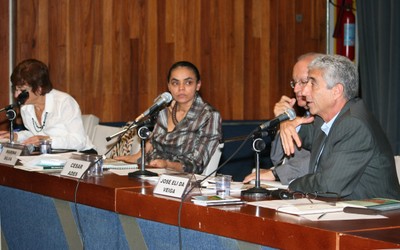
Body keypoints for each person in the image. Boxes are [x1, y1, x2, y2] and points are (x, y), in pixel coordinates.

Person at [280, 54, 400, 199]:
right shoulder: (325, 119)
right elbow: (309, 134)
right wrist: (289, 124)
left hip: (375, 217)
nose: (305, 92)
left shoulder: (354, 124)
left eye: (312, 84)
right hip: (343, 212)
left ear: (336, 91)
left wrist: (292, 184)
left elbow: (329, 186)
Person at [114, 61, 222, 174]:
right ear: (169, 86)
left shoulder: (208, 115)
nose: (181, 88)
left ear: (198, 85)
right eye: (175, 83)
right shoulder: (163, 108)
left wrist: (167, 165)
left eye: (188, 83)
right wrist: (137, 156)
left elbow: (197, 164)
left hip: (180, 178)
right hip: (151, 168)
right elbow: (153, 142)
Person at [243, 53, 319, 185]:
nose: (296, 89)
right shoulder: (306, 115)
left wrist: (275, 173)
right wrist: (283, 120)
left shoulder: (325, 117)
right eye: (294, 83)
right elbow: (277, 158)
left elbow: (319, 161)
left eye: (303, 82)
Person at [0, 59, 96, 153]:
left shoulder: (64, 102)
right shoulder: (26, 107)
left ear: (39, 89)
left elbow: (79, 141)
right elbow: (36, 134)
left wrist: (47, 141)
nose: (16, 95)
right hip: (53, 155)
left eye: (22, 90)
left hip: (80, 155)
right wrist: (16, 136)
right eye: (15, 89)